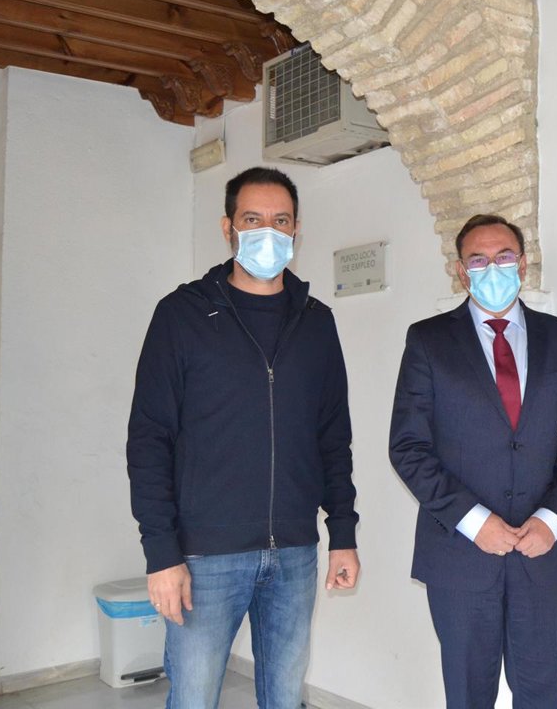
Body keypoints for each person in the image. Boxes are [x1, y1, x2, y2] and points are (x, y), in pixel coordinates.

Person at [127, 167, 359, 709]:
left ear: (296, 230)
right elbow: (149, 439)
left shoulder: (316, 321)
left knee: (285, 698)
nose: (268, 232)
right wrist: (161, 553)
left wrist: (342, 533)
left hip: (295, 552)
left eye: (281, 221)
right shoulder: (182, 315)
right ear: (228, 227)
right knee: (194, 698)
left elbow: (333, 437)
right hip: (203, 556)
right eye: (253, 219)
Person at [389, 214, 557, 709]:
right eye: (478, 260)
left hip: (540, 554)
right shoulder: (428, 341)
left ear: (522, 264)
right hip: (460, 557)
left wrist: (553, 519)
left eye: (503, 257)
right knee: (468, 697)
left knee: (541, 694)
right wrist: (473, 521)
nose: (492, 268)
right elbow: (408, 446)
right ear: (461, 272)